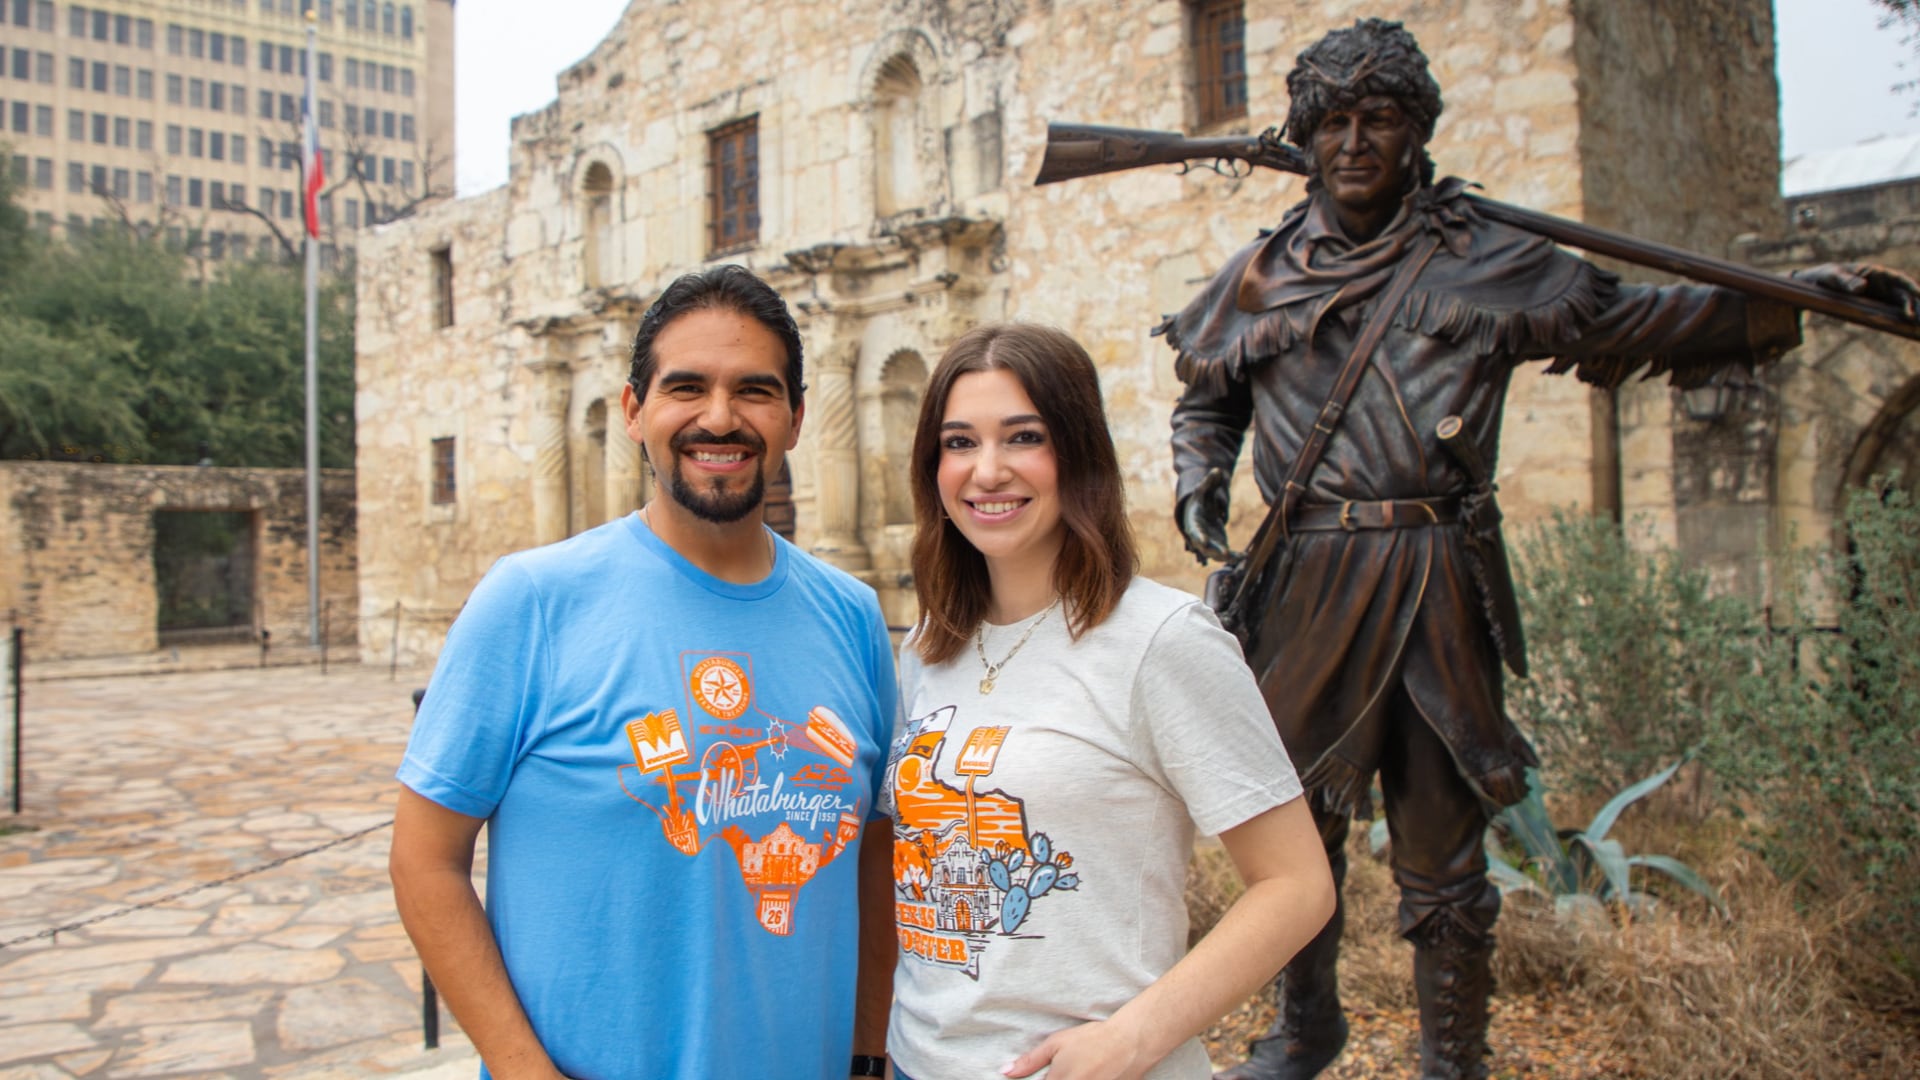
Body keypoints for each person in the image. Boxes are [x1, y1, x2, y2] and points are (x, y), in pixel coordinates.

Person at [1161, 19, 1920, 1080]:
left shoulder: (1490, 261)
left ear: (1418, 133)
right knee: (1298, 833)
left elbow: (1641, 319)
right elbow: (1209, 397)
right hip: (1306, 585)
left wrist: (1800, 296)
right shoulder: (1259, 274)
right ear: (1305, 137)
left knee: (1441, 848)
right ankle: (1305, 1027)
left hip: (1433, 586)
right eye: (1333, 123)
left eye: (1380, 119)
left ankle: (1453, 1060)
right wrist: (1198, 480)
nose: (1355, 143)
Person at [389, 264, 898, 1080]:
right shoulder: (533, 602)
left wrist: (869, 1053)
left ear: (798, 418)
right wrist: (522, 1069)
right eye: (686, 387)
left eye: (756, 391)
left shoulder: (852, 617)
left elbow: (874, 854)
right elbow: (424, 859)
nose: (720, 418)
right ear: (633, 410)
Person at [880, 322, 1337, 1080]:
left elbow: (1297, 885)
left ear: (1079, 452)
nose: (987, 470)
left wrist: (1131, 1040)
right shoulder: (931, 644)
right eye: (959, 443)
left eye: (1023, 437)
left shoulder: (1161, 639)